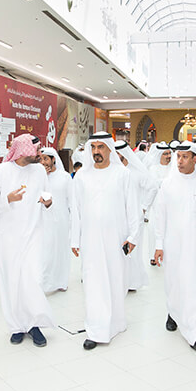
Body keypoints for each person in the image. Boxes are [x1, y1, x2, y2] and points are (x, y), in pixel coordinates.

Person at [152, 142, 196, 358]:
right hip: (174, 245)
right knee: (175, 282)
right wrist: (158, 245)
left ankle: (195, 333)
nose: (180, 161)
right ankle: (173, 312)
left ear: (195, 159)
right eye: (178, 157)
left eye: (185, 157)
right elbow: (160, 216)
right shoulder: (168, 184)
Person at [71, 132, 140, 350]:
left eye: (101, 147)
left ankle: (116, 323)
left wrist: (133, 236)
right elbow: (76, 210)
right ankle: (96, 329)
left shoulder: (123, 174)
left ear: (110, 149)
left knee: (116, 280)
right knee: (93, 282)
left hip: (116, 239)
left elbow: (133, 207)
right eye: (94, 147)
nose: (97, 152)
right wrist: (75, 239)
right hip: (90, 240)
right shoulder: (81, 177)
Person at [0, 134, 55, 346]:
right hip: (7, 237)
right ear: (24, 149)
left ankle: (35, 325)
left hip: (34, 235)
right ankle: (16, 326)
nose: (40, 154)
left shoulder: (39, 170)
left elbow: (47, 195)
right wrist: (8, 199)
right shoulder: (1, 171)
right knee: (11, 282)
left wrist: (49, 201)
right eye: (37, 149)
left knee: (32, 280)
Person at [114, 140, 157, 291]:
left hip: (135, 217)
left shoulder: (137, 172)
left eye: (118, 153)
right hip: (117, 216)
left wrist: (144, 207)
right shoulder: (113, 172)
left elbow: (152, 187)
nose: (115, 155)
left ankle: (132, 281)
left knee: (133, 251)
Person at [40, 146, 73, 292]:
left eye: (46, 159)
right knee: (45, 251)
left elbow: (71, 201)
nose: (43, 162)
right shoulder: (38, 177)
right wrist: (42, 177)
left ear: (54, 159)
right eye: (41, 159)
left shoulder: (64, 176)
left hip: (61, 220)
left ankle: (61, 281)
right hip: (42, 219)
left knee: (61, 251)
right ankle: (44, 283)